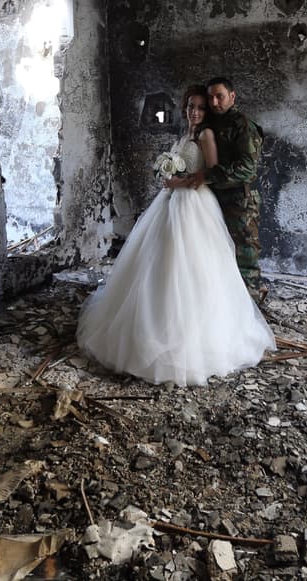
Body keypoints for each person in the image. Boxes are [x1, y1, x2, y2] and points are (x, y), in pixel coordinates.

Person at [76, 85, 274, 386]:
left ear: (208, 111)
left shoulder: (206, 135)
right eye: (190, 106)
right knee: (158, 261)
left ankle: (190, 338)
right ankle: (149, 324)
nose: (194, 111)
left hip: (194, 205)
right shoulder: (185, 135)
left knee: (191, 265)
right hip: (170, 203)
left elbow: (209, 174)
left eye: (200, 107)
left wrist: (178, 182)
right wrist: (166, 176)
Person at [183, 77, 267, 300]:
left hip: (241, 201)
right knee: (222, 254)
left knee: (245, 257)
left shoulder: (243, 125)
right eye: (211, 97)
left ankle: (252, 307)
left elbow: (247, 169)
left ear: (232, 96)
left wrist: (207, 175)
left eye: (219, 96)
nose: (214, 101)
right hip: (216, 198)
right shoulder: (213, 123)